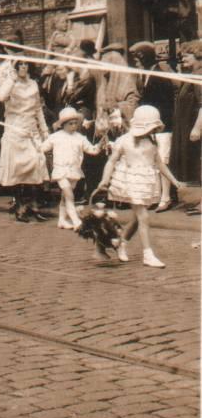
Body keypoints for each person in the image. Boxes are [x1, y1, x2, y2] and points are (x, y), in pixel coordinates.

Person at [98, 106, 182, 268]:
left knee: (137, 218)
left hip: (145, 184)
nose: (151, 132)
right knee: (143, 216)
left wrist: (174, 180)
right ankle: (148, 254)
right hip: (130, 182)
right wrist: (105, 179)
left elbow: (159, 164)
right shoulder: (124, 141)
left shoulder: (151, 143)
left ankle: (121, 242)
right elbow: (111, 161)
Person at [0, 61, 50, 222]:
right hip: (14, 127)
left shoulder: (33, 83)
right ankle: (20, 205)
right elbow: (1, 97)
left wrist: (44, 129)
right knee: (18, 168)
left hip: (31, 127)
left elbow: (38, 108)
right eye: (20, 65)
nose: (23, 67)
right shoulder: (10, 82)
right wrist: (11, 80)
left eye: (26, 64)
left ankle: (33, 205)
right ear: (15, 67)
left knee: (36, 163)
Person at [129, 41, 177, 212]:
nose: (135, 62)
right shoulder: (145, 74)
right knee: (154, 160)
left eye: (137, 58)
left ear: (144, 57)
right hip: (151, 126)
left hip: (162, 126)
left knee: (163, 159)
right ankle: (157, 196)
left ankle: (166, 197)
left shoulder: (160, 74)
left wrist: (159, 124)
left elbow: (166, 102)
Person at [41, 107, 100, 230]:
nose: (74, 126)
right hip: (61, 170)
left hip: (74, 171)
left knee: (64, 197)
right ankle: (76, 220)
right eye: (70, 124)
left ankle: (62, 220)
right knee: (69, 195)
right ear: (63, 124)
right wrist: (36, 141)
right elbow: (42, 148)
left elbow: (92, 150)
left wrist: (100, 145)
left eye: (75, 123)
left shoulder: (80, 137)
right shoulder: (55, 137)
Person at [169, 40, 202, 216]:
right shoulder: (193, 74)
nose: (183, 59)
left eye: (186, 55)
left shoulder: (199, 75)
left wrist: (197, 128)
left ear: (198, 56)